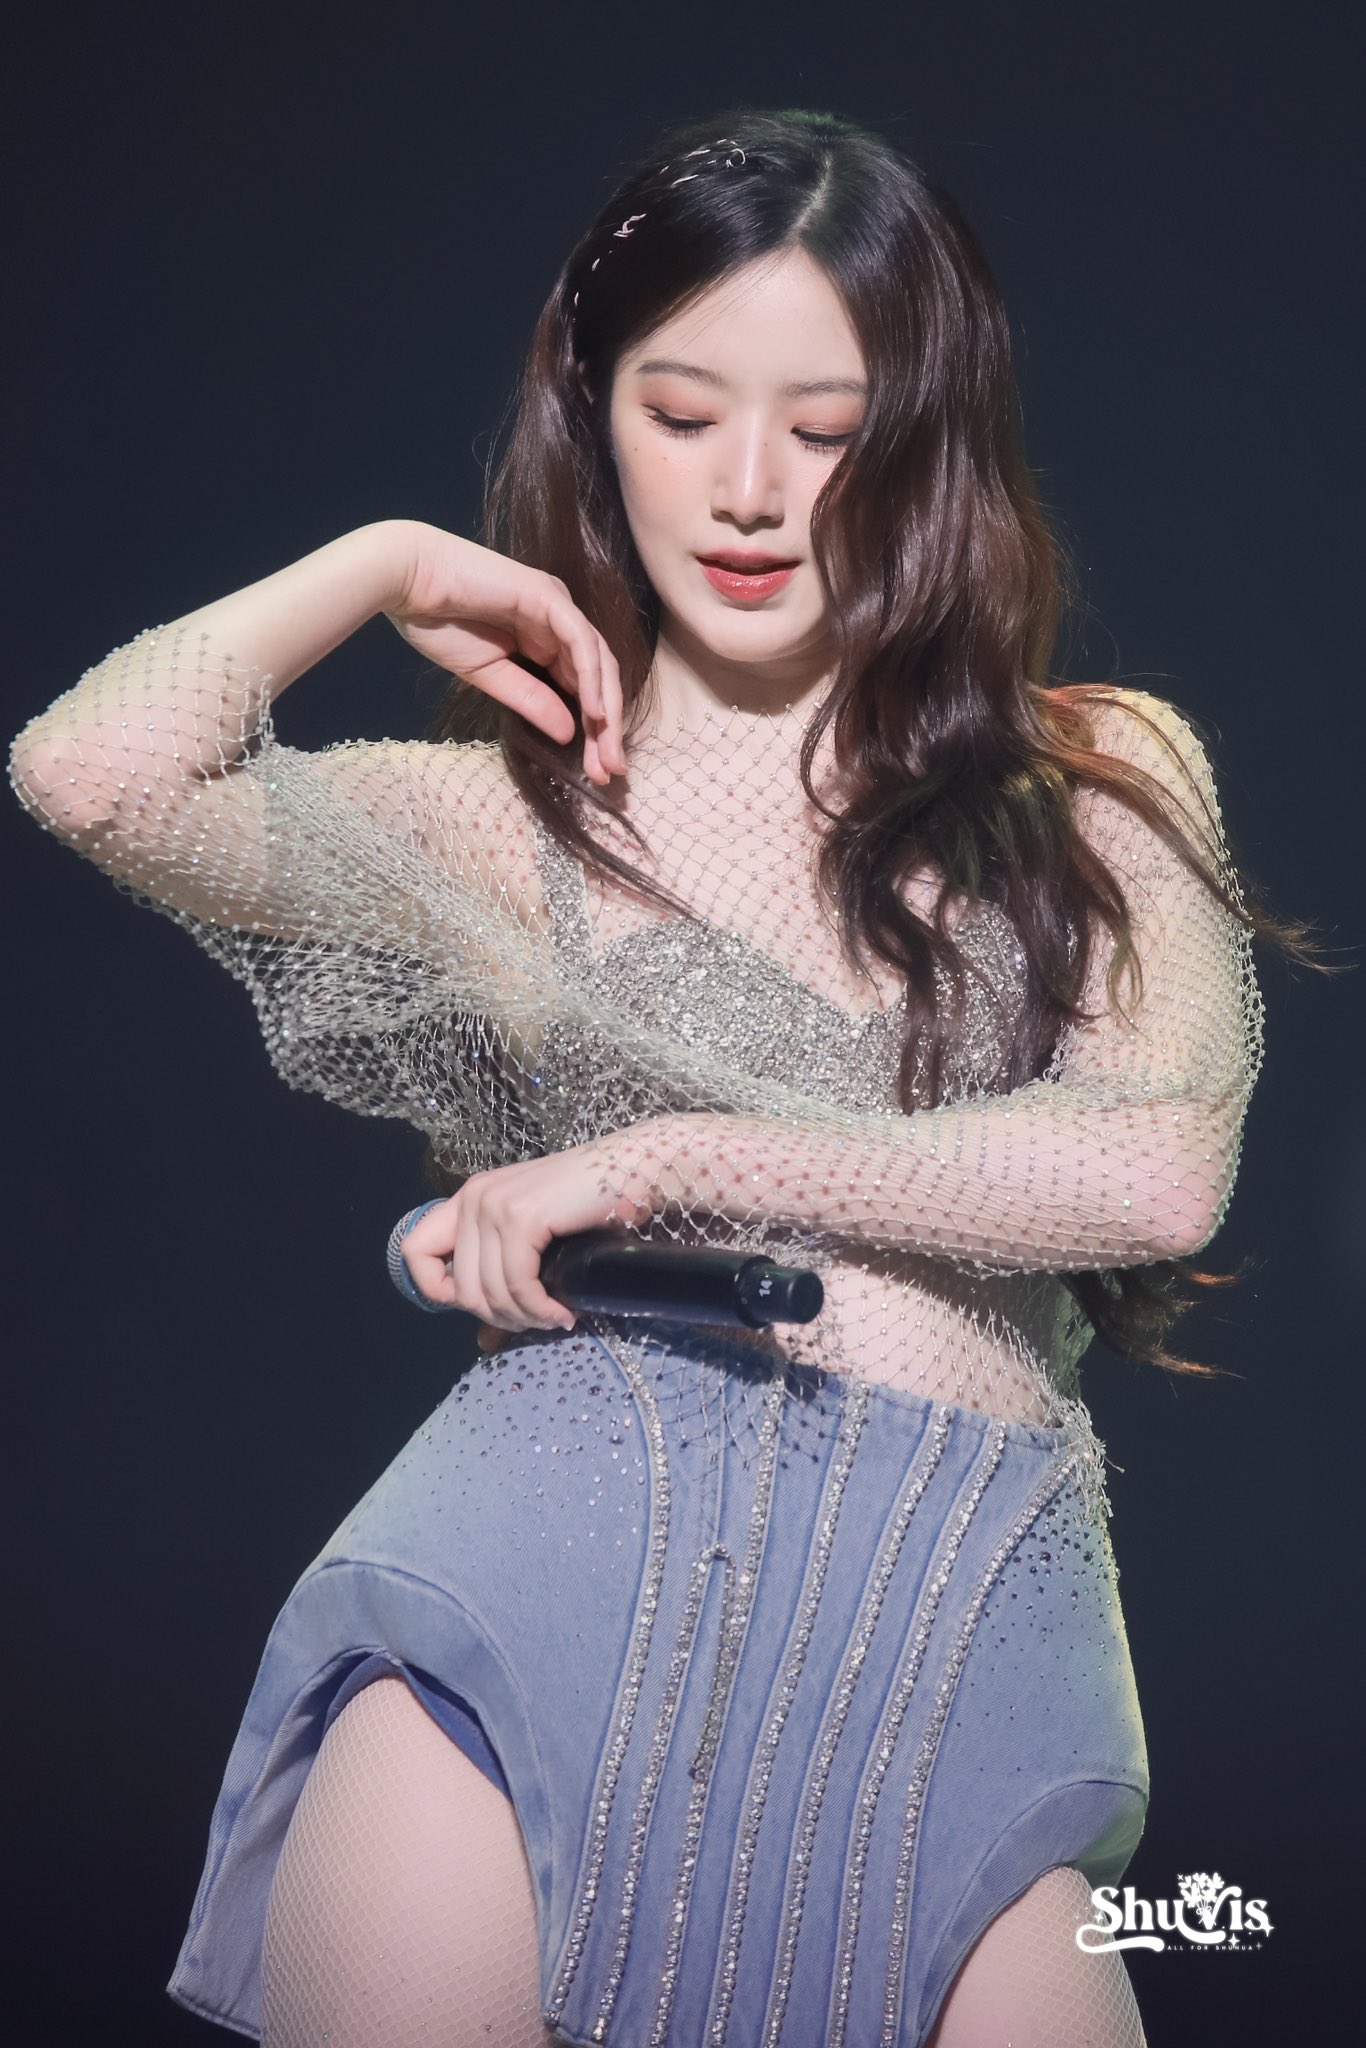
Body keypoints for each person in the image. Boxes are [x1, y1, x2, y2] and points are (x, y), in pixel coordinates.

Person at [8, 106, 1293, 2048]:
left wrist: (663, 1157)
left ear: (926, 439)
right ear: (593, 414)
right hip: (527, 1616)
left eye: (827, 427)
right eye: (681, 413)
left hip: (965, 1660)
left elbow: (1153, 1170)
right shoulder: (492, 827)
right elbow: (88, 773)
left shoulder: (1094, 770)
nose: (749, 491)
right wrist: (377, 562)